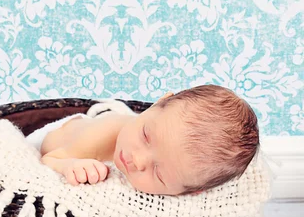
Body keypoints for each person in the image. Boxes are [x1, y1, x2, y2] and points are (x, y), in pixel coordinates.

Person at [29, 84, 260, 197]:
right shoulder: (104, 132)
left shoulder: (189, 187)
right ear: (158, 103)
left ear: (190, 193)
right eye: (146, 136)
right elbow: (49, 157)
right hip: (57, 142)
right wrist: (71, 165)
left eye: (159, 173)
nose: (137, 160)